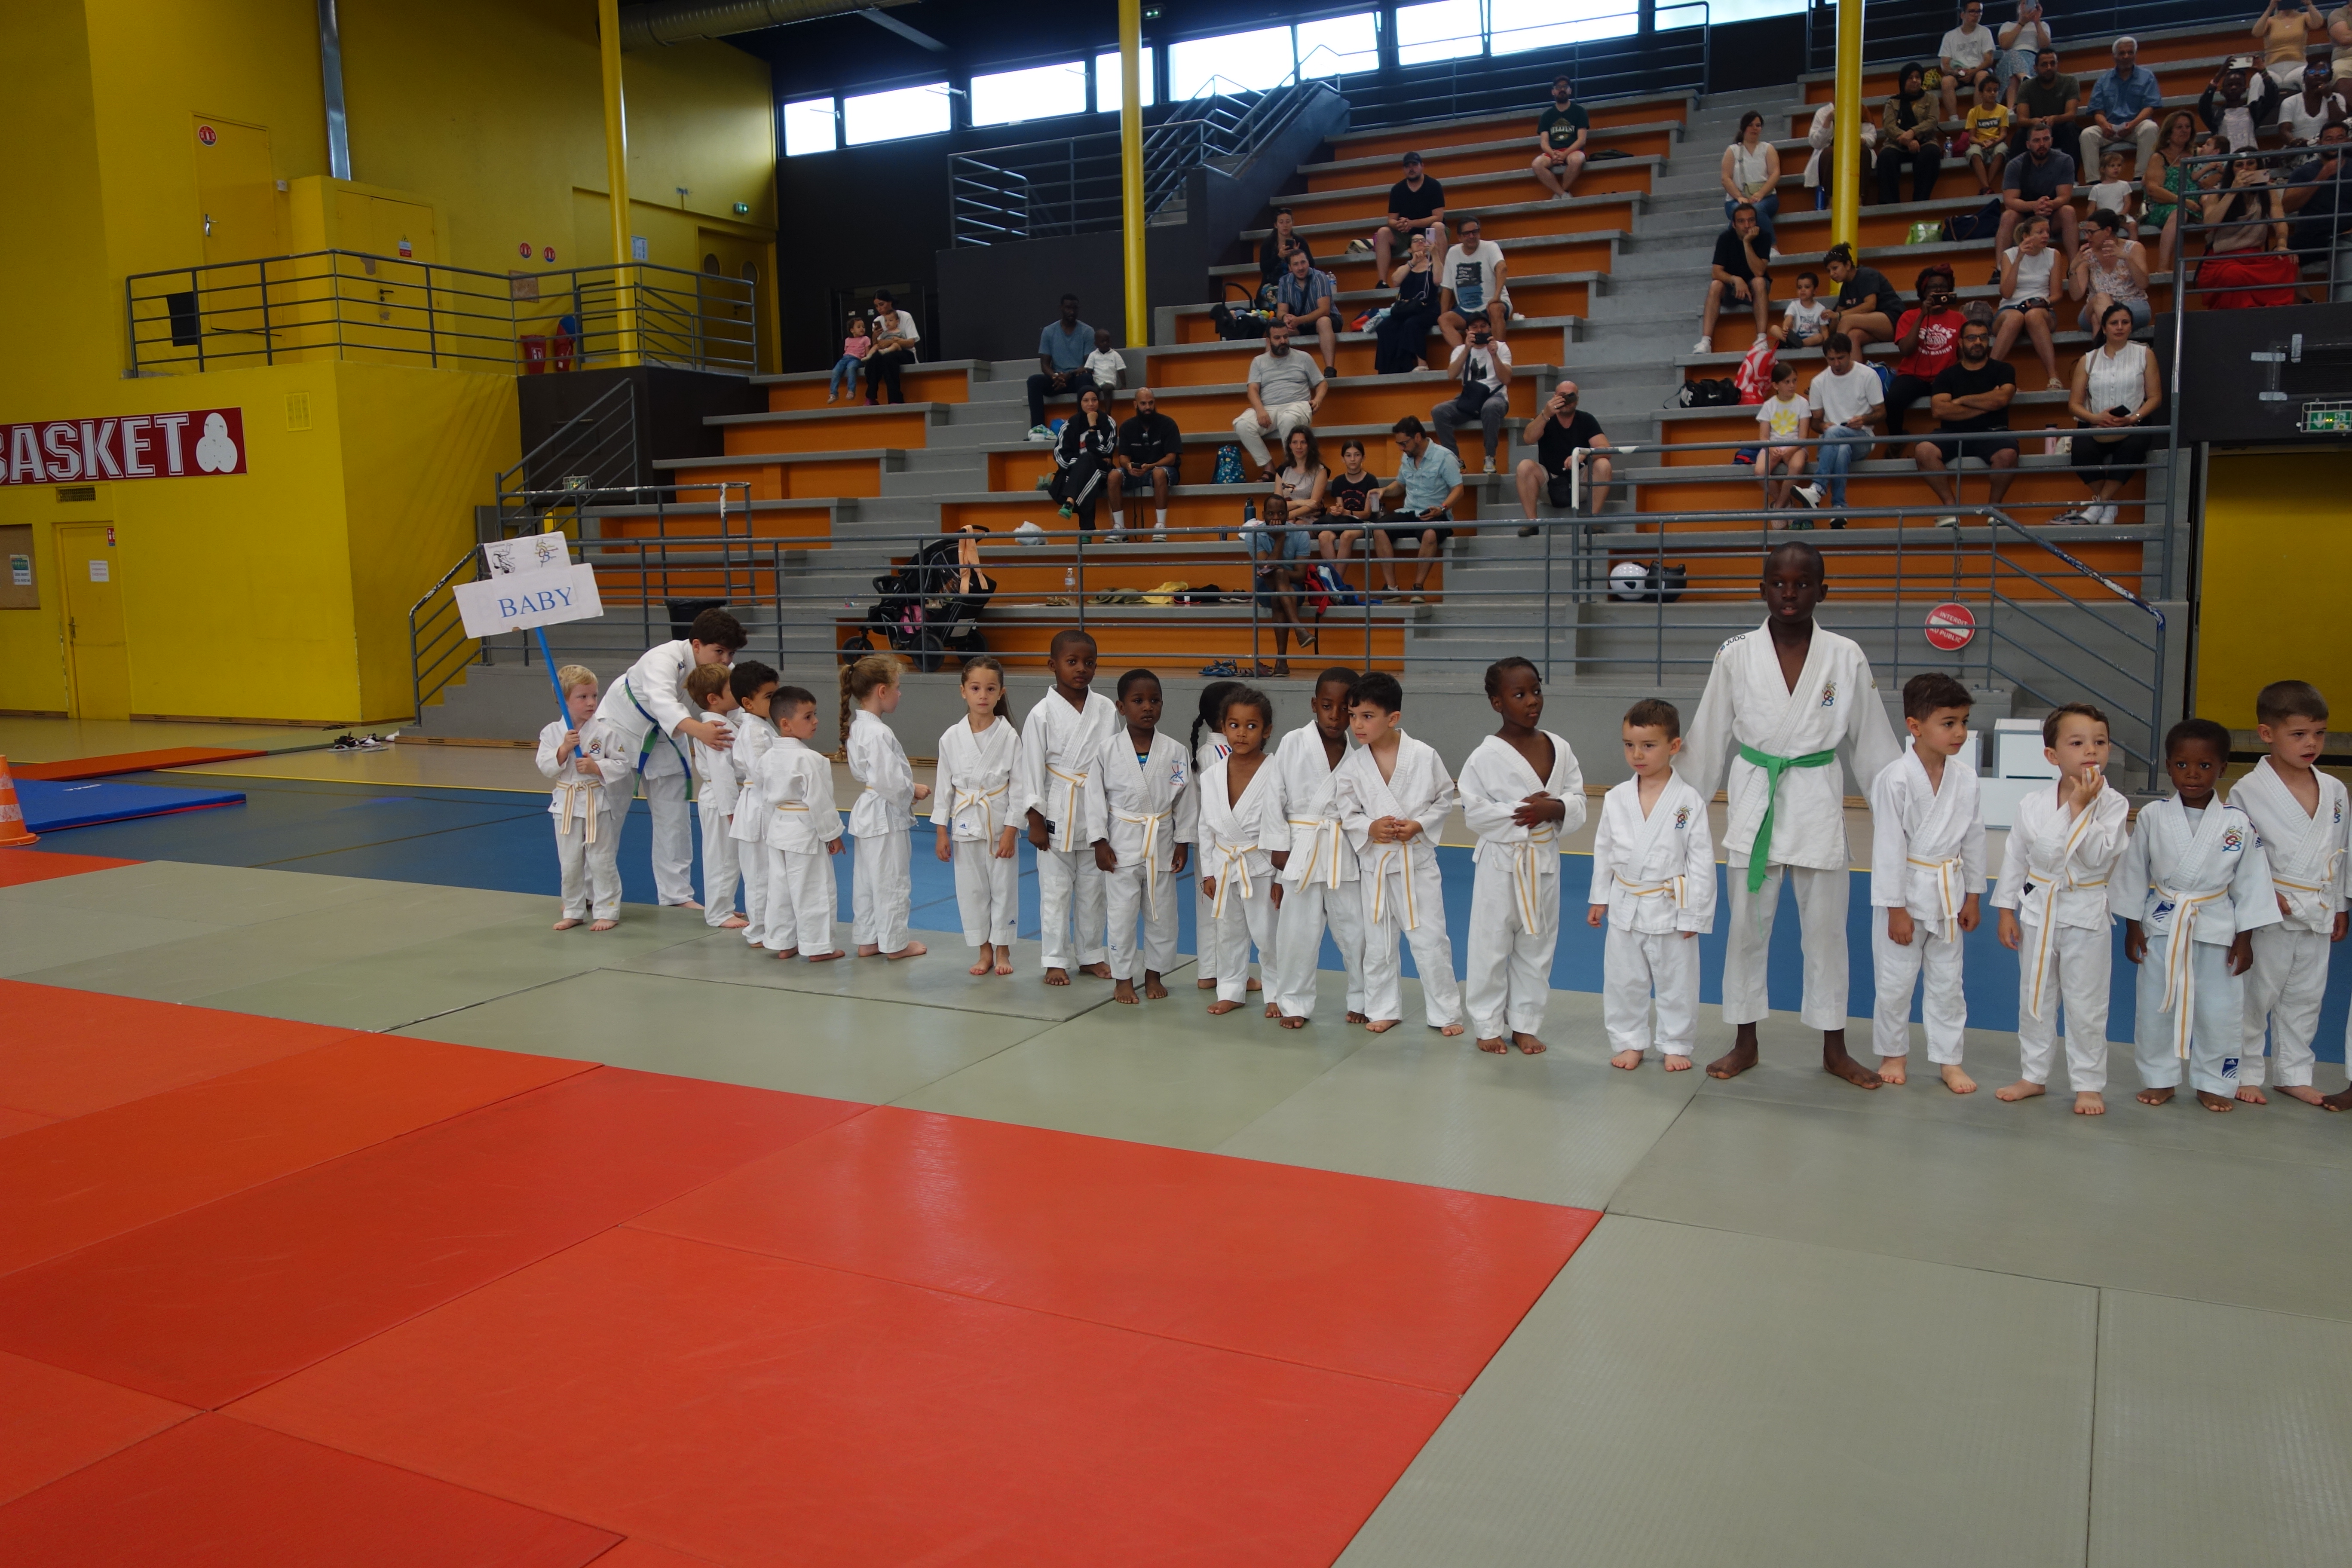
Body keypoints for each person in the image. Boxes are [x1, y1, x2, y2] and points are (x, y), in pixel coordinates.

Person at [1677, 541, 1903, 1086]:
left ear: (1823, 590)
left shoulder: (1845, 655)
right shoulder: (1735, 654)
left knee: (1827, 934)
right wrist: (1677, 815)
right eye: (1779, 583)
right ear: (1762, 589)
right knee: (1746, 931)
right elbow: (1708, 736)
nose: (1790, 593)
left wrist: (1903, 816)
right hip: (1756, 797)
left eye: (1802, 584)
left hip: (1817, 799)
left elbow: (1873, 743)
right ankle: (1745, 1041)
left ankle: (1834, 1048)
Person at [2119, 718, 2281, 1112]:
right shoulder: (2153, 816)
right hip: (2163, 923)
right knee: (2156, 1005)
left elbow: (2252, 883)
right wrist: (2132, 926)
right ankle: (2159, 1078)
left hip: (2217, 925)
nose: (2192, 774)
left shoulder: (2237, 823)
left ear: (2223, 768)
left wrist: (2245, 938)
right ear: (2168, 766)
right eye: (2182, 764)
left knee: (2220, 1010)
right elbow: (2134, 872)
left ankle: (2214, 1082)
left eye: (2205, 766)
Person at [1991, 702, 2129, 1114]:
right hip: (2038, 910)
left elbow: (2097, 857)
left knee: (2087, 1005)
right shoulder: (2032, 803)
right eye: (2077, 742)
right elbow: (2016, 857)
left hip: (2086, 912)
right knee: (2035, 996)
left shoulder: (2114, 804)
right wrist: (2005, 910)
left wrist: (2080, 808)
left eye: (2100, 742)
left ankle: (2089, 1083)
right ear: (2052, 755)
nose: (2091, 750)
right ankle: (2033, 1075)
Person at [2230, 681, 2349, 1106]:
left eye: (2319, 733)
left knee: (2305, 997)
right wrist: (2262, 893)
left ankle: (2293, 1074)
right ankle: (2244, 1072)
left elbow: (2341, 851)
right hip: (2271, 911)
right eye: (2299, 734)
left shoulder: (2335, 789)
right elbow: (2239, 853)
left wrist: (2341, 904)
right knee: (2256, 995)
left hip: (2319, 906)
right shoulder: (2247, 790)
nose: (2311, 743)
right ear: (2267, 734)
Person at [1459, 658, 1585, 1056]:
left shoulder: (1559, 748)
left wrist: (1556, 808)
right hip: (1501, 862)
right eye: (1519, 694)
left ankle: (1526, 1024)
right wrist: (1526, 812)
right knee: (1491, 945)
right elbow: (1475, 813)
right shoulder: (1484, 757)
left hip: (1544, 860)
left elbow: (1579, 799)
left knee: (1538, 945)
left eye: (1536, 691)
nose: (1532, 701)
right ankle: (1487, 1024)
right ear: (1497, 702)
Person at [1868, 671, 1986, 1093]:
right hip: (1905, 892)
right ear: (1915, 726)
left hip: (1949, 894)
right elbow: (1887, 847)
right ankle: (1893, 1054)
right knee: (1895, 982)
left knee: (1949, 984)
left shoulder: (1966, 778)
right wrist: (1895, 908)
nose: (1960, 733)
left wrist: (1974, 896)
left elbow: (1974, 838)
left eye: (1964, 722)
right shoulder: (1895, 778)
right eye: (1948, 723)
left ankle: (1949, 1060)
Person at [1335, 671, 1464, 1036]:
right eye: (1353, 716)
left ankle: (1445, 1012)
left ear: (1393, 718)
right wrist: (1370, 828)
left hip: (1416, 864)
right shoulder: (1353, 765)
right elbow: (1348, 812)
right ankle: (1383, 1008)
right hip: (1376, 866)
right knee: (1378, 943)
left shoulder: (1423, 755)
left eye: (1368, 716)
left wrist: (1419, 825)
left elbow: (1444, 798)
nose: (1357, 725)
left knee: (1431, 940)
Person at [1590, 698, 1716, 1070]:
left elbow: (1701, 862)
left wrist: (1696, 914)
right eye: (1629, 745)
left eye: (1648, 745)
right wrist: (1599, 898)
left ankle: (1676, 1043)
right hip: (1626, 901)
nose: (1637, 755)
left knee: (1678, 981)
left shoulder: (1689, 801)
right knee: (1623, 980)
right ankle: (1630, 1041)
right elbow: (1604, 850)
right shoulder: (1616, 798)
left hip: (1672, 905)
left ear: (1674, 746)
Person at [591, 606, 743, 912]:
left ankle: (676, 896)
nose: (726, 660)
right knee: (608, 816)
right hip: (619, 731)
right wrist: (700, 731)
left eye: (730, 653)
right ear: (696, 645)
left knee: (674, 819)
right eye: (720, 651)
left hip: (667, 737)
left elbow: (735, 708)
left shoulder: (723, 671)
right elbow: (663, 702)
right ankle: (586, 893)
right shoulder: (662, 659)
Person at [1017, 628, 1122, 986]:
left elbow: (1114, 761)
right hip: (1056, 810)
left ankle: (1091, 955)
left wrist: (1114, 814)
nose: (1081, 669)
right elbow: (1030, 769)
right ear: (1053, 665)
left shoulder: (1105, 708)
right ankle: (1054, 959)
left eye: (1089, 663)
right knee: (1056, 892)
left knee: (1095, 892)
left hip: (1096, 810)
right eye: (1072, 661)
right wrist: (1034, 818)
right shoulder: (1041, 713)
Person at [1087, 668, 1196, 1008]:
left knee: (1162, 914)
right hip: (1120, 844)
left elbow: (1185, 800)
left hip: (1161, 842)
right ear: (1121, 707)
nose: (1148, 707)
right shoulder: (1107, 751)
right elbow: (1094, 798)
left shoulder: (1176, 750)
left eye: (1155, 700)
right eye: (1138, 701)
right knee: (1121, 915)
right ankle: (1123, 978)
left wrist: (1183, 842)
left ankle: (1154, 974)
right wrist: (1099, 841)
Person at [1270, 667, 1372, 1028]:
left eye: (1345, 709)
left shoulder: (1361, 753)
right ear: (1315, 705)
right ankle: (1294, 1003)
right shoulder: (1293, 742)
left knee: (1357, 932)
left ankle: (1363, 998)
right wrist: (1277, 846)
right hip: (1300, 847)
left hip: (1343, 849)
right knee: (1297, 933)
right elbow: (1274, 796)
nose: (1335, 716)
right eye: (1327, 706)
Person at [1197, 687, 1285, 1015]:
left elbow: (1285, 827)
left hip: (1262, 865)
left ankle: (1277, 993)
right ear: (1223, 727)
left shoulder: (1277, 772)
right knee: (1228, 933)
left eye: (1252, 726)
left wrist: (1281, 877)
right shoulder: (1212, 775)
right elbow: (1206, 827)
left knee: (1269, 934)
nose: (1242, 733)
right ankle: (1232, 990)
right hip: (1225, 864)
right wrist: (1208, 872)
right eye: (1234, 725)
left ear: (1267, 730)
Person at [934, 655, 1021, 979]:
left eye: (990, 689)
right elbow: (944, 788)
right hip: (965, 823)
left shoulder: (1010, 737)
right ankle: (984, 949)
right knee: (972, 891)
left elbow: (1021, 788)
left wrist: (1012, 830)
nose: (983, 695)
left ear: (1001, 693)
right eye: (975, 688)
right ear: (963, 691)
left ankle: (1003, 948)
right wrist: (941, 831)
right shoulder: (950, 737)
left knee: (1003, 889)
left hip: (999, 823)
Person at [841, 653, 930, 961]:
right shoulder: (878, 732)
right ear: (882, 691)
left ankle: (868, 940)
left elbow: (878, 777)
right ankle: (895, 944)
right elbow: (888, 781)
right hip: (884, 815)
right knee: (892, 882)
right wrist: (913, 790)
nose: (900, 693)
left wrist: (905, 789)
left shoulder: (859, 727)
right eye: (897, 687)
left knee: (867, 881)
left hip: (870, 811)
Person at [756, 685, 845, 962]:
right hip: (805, 831)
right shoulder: (810, 759)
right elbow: (820, 802)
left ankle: (784, 942)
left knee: (780, 891)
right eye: (808, 717)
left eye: (815, 714)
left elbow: (764, 798)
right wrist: (832, 834)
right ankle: (817, 948)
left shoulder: (767, 758)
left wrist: (768, 830)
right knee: (814, 891)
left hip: (778, 830)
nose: (815, 721)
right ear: (786, 724)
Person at [539, 665, 627, 932]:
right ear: (563, 700)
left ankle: (608, 910)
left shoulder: (606, 732)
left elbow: (623, 764)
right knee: (570, 862)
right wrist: (563, 750)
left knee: (602, 859)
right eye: (583, 697)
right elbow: (545, 767)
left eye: (594, 696)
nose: (591, 703)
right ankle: (574, 910)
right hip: (565, 804)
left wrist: (596, 767)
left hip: (595, 802)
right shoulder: (551, 733)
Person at [2065, 301, 2163, 525]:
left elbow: (2155, 397)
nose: (2120, 327)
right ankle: (2108, 505)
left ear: (2131, 326)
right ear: (2104, 328)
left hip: (2133, 424)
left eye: (2125, 322)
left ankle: (2099, 505)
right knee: (2081, 452)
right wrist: (2096, 418)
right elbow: (2074, 405)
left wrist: (2132, 419)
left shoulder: (2145, 354)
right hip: (2095, 424)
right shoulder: (2088, 359)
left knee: (2134, 447)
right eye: (2114, 323)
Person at [1916, 316, 2019, 523]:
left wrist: (1962, 400)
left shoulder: (2003, 369)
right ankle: (1950, 508)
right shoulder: (1947, 375)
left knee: (2008, 454)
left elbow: (2002, 399)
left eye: (1983, 337)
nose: (1978, 342)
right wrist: (1987, 404)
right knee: (1923, 450)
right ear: (1961, 342)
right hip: (1952, 433)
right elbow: (1939, 410)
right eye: (1972, 338)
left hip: (1994, 432)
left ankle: (1995, 509)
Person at [685, 662, 747, 931]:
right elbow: (722, 773)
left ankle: (724, 905)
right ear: (714, 699)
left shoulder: (726, 722)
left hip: (728, 795)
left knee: (731, 857)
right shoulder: (715, 728)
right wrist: (730, 810)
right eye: (731, 690)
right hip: (721, 798)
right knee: (722, 858)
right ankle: (718, 912)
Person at [723, 661, 780, 949]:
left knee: (769, 873)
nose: (775, 702)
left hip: (763, 804)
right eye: (769, 697)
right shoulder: (755, 731)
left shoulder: (763, 727)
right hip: (758, 805)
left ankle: (772, 927)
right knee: (759, 875)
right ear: (748, 703)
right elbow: (762, 773)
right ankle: (758, 931)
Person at [1188, 681, 1239, 995]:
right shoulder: (1222, 753)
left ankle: (1211, 972)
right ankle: (1225, 974)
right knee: (1228, 912)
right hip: (1222, 843)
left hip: (1209, 841)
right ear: (1224, 718)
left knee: (1211, 909)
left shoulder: (1209, 751)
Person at [1378, 416, 1462, 603]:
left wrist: (1442, 508)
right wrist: (1384, 491)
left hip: (1434, 513)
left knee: (1430, 534)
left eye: (1404, 443)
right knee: (1378, 529)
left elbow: (1458, 489)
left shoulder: (1444, 457)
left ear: (1417, 437)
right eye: (1399, 444)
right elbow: (1400, 485)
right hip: (1409, 512)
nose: (1401, 448)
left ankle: (1418, 587)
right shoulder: (1407, 457)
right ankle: (1392, 588)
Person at [2199, 152, 2298, 308]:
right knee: (2234, 274)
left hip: (2255, 256)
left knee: (2288, 261)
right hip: (2223, 259)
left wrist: (2281, 244)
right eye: (2239, 165)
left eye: (2251, 163)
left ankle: (2275, 314)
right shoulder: (2217, 193)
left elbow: (2279, 221)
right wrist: (2232, 192)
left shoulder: (2268, 190)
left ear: (2258, 166)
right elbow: (2209, 226)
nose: (2245, 168)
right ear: (2232, 170)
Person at [1229, 321, 1326, 478]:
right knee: (1242, 424)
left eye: (1286, 337)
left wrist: (1318, 400)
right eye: (1278, 338)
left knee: (1288, 419)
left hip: (1297, 406)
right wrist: (1260, 411)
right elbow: (1252, 390)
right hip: (1269, 408)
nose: (1283, 341)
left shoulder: (1304, 358)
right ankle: (1269, 467)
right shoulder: (1259, 361)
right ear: (1268, 341)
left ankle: (1291, 467)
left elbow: (1322, 383)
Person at [1807, 332, 1884, 527]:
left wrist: (1864, 419)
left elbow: (1881, 413)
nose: (1836, 363)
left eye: (1841, 358)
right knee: (1841, 447)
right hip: (1834, 442)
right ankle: (1839, 507)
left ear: (1850, 354)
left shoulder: (1868, 375)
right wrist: (1823, 426)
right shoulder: (1818, 382)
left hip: (1863, 437)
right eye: (1831, 359)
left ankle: (1817, 488)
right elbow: (1815, 422)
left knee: (1833, 434)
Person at [1514, 381, 1611, 533]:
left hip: (1580, 482)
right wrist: (1546, 414)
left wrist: (1583, 454)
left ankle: (1593, 521)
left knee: (1603, 464)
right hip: (1550, 482)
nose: (1566, 400)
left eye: (1571, 396)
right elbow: (1528, 439)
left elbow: (1606, 449)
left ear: (1577, 400)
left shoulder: (1586, 419)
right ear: (1554, 397)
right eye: (1562, 396)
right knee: (1524, 466)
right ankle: (1532, 523)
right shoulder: (1545, 419)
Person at [1889, 264, 1967, 435]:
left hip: (1945, 376)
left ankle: (1949, 437)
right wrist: (1923, 315)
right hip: (1913, 376)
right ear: (1924, 292)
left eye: (1943, 287)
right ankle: (1896, 439)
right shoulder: (1909, 316)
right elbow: (1906, 350)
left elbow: (1964, 357)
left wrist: (1949, 375)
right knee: (1893, 399)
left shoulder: (1959, 319)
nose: (1938, 290)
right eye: (1933, 287)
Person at [1430, 315, 1513, 473]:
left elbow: (1506, 379)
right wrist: (1467, 349)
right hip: (1470, 400)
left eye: (1483, 326)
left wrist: (1494, 355)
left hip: (1495, 398)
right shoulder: (1460, 350)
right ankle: (1455, 459)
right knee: (1439, 411)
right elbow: (1452, 375)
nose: (1479, 330)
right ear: (1468, 331)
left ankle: (1490, 457)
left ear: (1490, 328)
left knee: (1490, 407)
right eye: (1475, 327)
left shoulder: (1501, 347)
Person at [1993, 214, 2064, 389]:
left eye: (2047, 232)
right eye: (2040, 232)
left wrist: (2044, 302)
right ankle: (1989, 375)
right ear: (2026, 236)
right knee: (2015, 318)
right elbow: (2006, 293)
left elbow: (2057, 295)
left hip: (2041, 308)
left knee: (2033, 315)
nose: (2046, 236)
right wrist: (2019, 258)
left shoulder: (2054, 255)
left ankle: (2053, 377)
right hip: (2010, 308)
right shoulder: (2009, 255)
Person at [1997, 120, 2080, 267]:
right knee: (2008, 216)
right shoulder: (2015, 165)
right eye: (2036, 141)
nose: (2042, 144)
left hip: (2052, 214)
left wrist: (2049, 204)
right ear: (2028, 144)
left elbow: (2065, 197)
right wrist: (2034, 206)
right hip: (2025, 217)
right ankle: (2000, 269)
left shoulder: (2065, 161)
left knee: (2069, 211)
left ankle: (2075, 267)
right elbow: (2010, 201)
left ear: (2052, 141)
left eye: (2046, 139)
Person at [1694, 201, 1771, 355]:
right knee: (1716, 285)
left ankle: (1762, 339)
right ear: (1734, 224)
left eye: (1751, 220)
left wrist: (1747, 243)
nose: (1747, 225)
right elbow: (1716, 272)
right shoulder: (1725, 238)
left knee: (1759, 282)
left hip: (1755, 290)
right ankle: (1706, 341)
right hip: (1732, 289)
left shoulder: (1764, 236)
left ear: (1756, 222)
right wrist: (1735, 280)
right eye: (1742, 221)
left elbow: (1759, 272)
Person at [2082, 36, 2163, 178]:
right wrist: (2104, 125)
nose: (2126, 56)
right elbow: (2097, 110)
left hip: (2135, 126)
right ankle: (2094, 181)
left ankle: (2142, 177)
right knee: (2087, 134)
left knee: (2150, 128)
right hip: (2110, 128)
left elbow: (2150, 107)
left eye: (2130, 52)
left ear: (2135, 54)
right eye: (2122, 53)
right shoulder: (2103, 80)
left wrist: (2133, 124)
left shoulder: (2147, 77)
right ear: (2114, 56)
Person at [1109, 386, 1181, 542]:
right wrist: (1129, 466)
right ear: (1135, 404)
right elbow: (1123, 458)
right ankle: (1119, 528)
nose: (1148, 407)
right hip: (1136, 472)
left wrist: (1151, 466)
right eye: (1143, 404)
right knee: (1113, 476)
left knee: (1158, 473)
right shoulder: (1127, 427)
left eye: (1151, 403)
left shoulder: (1168, 424)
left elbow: (1171, 458)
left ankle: (1161, 526)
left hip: (1163, 471)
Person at [1026, 294, 1096, 441]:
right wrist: (1055, 377)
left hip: (1077, 378)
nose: (1072, 312)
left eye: (1075, 308)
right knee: (1034, 381)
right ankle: (1038, 429)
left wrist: (1070, 375)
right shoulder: (1049, 331)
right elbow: (1045, 364)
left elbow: (1089, 363)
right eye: (1068, 308)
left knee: (1086, 379)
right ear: (1061, 308)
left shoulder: (1088, 331)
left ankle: (1083, 428)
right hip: (1057, 380)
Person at [2283, 120, 2352, 269]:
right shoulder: (2303, 172)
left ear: (2348, 141)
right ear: (2320, 143)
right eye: (2329, 139)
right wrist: (2322, 176)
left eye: (2340, 138)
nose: (2334, 143)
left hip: (2347, 235)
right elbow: (2288, 207)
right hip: (2311, 237)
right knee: (2282, 257)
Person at [2069, 210, 2152, 335]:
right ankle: (2116, 341)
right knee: (2101, 298)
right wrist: (2072, 270)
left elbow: (2143, 284)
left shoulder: (2134, 248)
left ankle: (2104, 344)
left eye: (2091, 232)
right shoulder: (2087, 256)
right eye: (2086, 232)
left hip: (2133, 305)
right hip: (2095, 305)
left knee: (2097, 319)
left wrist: (2127, 258)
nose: (2087, 237)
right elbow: (2076, 296)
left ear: (2107, 231)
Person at [1050, 386, 1118, 537]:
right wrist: (1080, 463)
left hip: (1103, 471)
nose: (1091, 404)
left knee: (1087, 460)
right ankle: (1087, 532)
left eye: (1094, 400)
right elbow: (1060, 454)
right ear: (1080, 403)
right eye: (1086, 401)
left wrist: (1093, 427)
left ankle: (1070, 502)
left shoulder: (1108, 422)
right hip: (1077, 471)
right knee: (1087, 467)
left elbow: (1107, 451)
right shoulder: (1070, 425)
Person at [1374, 230, 1442, 374]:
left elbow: (1438, 281)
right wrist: (1413, 263)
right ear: (1410, 249)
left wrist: (1435, 254)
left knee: (1411, 323)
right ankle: (1391, 368)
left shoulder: (1432, 265)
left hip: (1428, 308)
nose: (1420, 242)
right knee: (1385, 327)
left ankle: (1422, 363)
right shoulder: (1406, 267)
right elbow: (1395, 280)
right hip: (1407, 309)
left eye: (1423, 240)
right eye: (1416, 241)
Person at [1438, 216, 1512, 346]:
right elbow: (1447, 288)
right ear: (1460, 237)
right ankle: (1464, 355)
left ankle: (1498, 353)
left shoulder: (1490, 247)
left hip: (1490, 305)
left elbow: (1502, 268)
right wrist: (1444, 313)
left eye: (1475, 232)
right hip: (1465, 310)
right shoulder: (1453, 253)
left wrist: (1496, 297)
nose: (1472, 236)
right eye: (1467, 233)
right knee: (1444, 320)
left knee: (1495, 308)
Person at [1879, 62, 1947, 206]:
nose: (1915, 81)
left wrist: (1913, 132)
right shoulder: (1892, 102)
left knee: (1932, 153)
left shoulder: (1931, 99)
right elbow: (1889, 127)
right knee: (1886, 157)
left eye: (1918, 77)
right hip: (1897, 143)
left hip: (1925, 141)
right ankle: (1890, 204)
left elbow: (1932, 121)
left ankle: (1920, 200)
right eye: (1910, 78)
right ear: (1903, 81)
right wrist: (1907, 140)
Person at [1374, 152, 1448, 280]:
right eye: (1407, 166)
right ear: (1403, 169)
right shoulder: (1397, 189)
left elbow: (1438, 217)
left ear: (1422, 166)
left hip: (1428, 233)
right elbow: (1391, 220)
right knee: (1382, 233)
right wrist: (1400, 224)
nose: (1411, 169)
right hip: (1405, 234)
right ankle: (1382, 282)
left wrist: (1412, 223)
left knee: (1438, 226)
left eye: (1414, 165)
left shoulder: (1434, 185)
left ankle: (1440, 277)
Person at [1752, 361, 1812, 518]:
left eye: (1794, 381)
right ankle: (1785, 503)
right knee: (1760, 472)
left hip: (1797, 446)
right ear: (1776, 385)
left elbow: (1803, 437)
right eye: (1787, 382)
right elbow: (1764, 437)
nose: (1792, 385)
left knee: (1797, 466)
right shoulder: (1769, 405)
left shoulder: (1803, 403)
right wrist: (1772, 448)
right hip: (1773, 446)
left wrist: (1792, 450)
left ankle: (1778, 507)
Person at [2142, 111, 2200, 271]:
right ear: (2169, 132)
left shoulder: (2199, 153)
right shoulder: (2159, 157)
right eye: (2179, 127)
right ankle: (2163, 266)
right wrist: (2184, 201)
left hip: (2196, 205)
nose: (2184, 130)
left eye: (2188, 127)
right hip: (2166, 206)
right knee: (2179, 213)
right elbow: (2153, 190)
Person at [1721, 111, 1783, 257]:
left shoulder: (1768, 148)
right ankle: (1731, 253)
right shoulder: (1733, 151)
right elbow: (1726, 178)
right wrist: (1739, 197)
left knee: (1756, 210)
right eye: (1751, 125)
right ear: (1744, 128)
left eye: (1758, 125)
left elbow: (1775, 174)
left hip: (1767, 197)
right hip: (1737, 199)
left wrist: (1761, 194)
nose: (1755, 128)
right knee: (1740, 214)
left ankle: (1772, 247)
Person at [1273, 246, 1341, 370]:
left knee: (1323, 322)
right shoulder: (1284, 281)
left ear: (1308, 263)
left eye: (1303, 262)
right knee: (1275, 328)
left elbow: (1324, 310)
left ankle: (1330, 369)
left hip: (1327, 320)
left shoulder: (1319, 277)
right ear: (1290, 268)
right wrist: (1286, 318)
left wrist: (1299, 320)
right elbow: (1281, 311)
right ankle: (1275, 372)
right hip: (1300, 324)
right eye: (1296, 264)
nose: (1301, 268)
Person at [1822, 242, 1897, 348]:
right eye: (1829, 271)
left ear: (1848, 265)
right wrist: (1831, 319)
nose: (1831, 274)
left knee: (1847, 320)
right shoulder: (1846, 287)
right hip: (1871, 327)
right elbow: (1837, 316)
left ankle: (1835, 354)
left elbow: (1870, 305)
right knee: (1853, 336)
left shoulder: (1866, 275)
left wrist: (1839, 316)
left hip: (1892, 321)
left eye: (1835, 268)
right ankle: (1843, 358)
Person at [1937, 1, 2000, 124]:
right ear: (1963, 15)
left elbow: (1989, 60)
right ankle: (1954, 119)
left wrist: (1972, 72)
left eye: (1979, 12)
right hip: (1958, 72)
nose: (1976, 15)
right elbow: (1945, 64)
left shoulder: (1985, 32)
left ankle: (1978, 117)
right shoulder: (1950, 36)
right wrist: (1955, 72)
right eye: (1972, 11)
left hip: (1979, 70)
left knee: (1982, 76)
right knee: (1946, 82)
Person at [1321, 438, 1382, 561]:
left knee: (1347, 536)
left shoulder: (1371, 480)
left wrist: (1346, 512)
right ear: (1343, 459)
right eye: (1349, 456)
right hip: (1344, 521)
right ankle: (1334, 573)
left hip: (1365, 523)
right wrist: (1338, 511)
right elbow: (1340, 507)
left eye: (1357, 455)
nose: (1353, 459)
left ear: (1363, 458)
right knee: (1323, 536)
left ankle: (1336, 574)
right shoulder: (1338, 481)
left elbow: (1367, 513)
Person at [2200, 58, 2281, 151]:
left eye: (2238, 84)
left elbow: (2272, 98)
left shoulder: (2253, 111)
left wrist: (2263, 72)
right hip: (2226, 159)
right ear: (2222, 91)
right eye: (2230, 85)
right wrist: (2218, 77)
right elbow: (2203, 106)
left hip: (2250, 156)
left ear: (2244, 89)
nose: (2234, 87)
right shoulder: (2216, 113)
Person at [1533, 74, 1589, 197]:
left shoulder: (1580, 111)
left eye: (1565, 87)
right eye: (1558, 87)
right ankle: (1564, 195)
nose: (1562, 89)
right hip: (1553, 152)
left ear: (1570, 91)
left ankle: (1560, 193)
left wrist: (1564, 154)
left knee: (1577, 161)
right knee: (1537, 164)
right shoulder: (1546, 116)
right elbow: (1544, 143)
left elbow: (1582, 140)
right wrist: (1553, 155)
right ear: (1553, 92)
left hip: (1573, 150)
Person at [2256, 0, 2330, 94]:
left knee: (2308, 77)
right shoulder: (2270, 21)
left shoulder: (2304, 17)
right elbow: (2257, 32)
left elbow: (2318, 24)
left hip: (2298, 66)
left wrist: (2309, 4)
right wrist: (2270, 8)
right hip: (2272, 69)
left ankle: (2311, 103)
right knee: (2257, 79)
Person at [864, 291, 920, 404]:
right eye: (877, 306)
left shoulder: (905, 316)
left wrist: (892, 342)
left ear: (890, 302)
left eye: (882, 305)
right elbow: (877, 345)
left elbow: (911, 343)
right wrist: (874, 338)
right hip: (885, 352)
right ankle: (871, 397)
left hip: (905, 352)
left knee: (889, 358)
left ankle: (895, 399)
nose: (879, 309)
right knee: (874, 358)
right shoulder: (877, 321)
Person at [1995, 0, 2054, 105]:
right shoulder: (2008, 26)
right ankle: (2025, 79)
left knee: (2014, 75)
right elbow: (2005, 45)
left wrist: (2037, 22)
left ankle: (2011, 108)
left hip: (2032, 61)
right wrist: (2021, 23)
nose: (2028, 6)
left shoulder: (2043, 26)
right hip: (2009, 61)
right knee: (2012, 55)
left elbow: (2045, 46)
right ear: (2019, 7)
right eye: (2024, 3)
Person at [1966, 71, 2014, 193]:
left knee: (2002, 150)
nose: (1993, 93)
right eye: (1989, 90)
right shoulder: (1973, 112)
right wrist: (1982, 143)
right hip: (1979, 143)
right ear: (1981, 93)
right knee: (1973, 152)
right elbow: (1972, 137)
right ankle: (1987, 187)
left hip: (1997, 141)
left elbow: (2004, 134)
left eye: (1995, 90)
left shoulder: (2003, 110)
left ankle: (1987, 186)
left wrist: (1995, 142)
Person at [2280, 59, 2350, 141]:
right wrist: (2295, 142)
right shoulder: (2290, 102)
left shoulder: (2337, 98)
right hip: (2299, 147)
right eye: (2312, 72)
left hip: (2329, 146)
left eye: (2323, 72)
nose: (2317, 74)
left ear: (2330, 79)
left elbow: (2338, 124)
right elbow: (2284, 131)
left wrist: (2330, 97)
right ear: (2304, 79)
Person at [1257, 207, 1317, 290]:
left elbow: (1312, 264)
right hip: (1273, 283)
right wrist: (1279, 257)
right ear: (1276, 225)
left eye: (1288, 222)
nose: (1285, 225)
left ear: (1292, 223)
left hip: (1297, 282)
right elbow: (1264, 268)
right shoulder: (1268, 243)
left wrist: (1298, 254)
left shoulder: (1300, 241)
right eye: (1281, 222)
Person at [1771, 270, 1832, 349]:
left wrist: (1827, 345)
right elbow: (1789, 318)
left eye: (1807, 287)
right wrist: (1786, 327)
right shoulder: (1794, 305)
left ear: (1815, 290)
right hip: (1795, 336)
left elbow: (1824, 330)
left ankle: (1799, 344)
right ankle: (1794, 342)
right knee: (1774, 328)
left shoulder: (1821, 309)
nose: (1803, 290)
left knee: (1820, 337)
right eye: (1800, 288)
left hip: (1811, 338)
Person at [827, 314, 870, 404]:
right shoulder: (848, 340)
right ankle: (834, 393)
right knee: (836, 371)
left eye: (863, 327)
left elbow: (868, 352)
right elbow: (846, 351)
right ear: (852, 330)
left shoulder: (865, 339)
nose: (862, 329)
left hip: (857, 359)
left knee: (851, 368)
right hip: (845, 358)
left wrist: (867, 362)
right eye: (859, 327)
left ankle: (851, 391)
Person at [2089, 148, 2137, 220]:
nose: (2116, 168)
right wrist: (2090, 220)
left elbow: (2128, 203)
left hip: (2121, 217)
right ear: (2103, 169)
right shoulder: (2096, 189)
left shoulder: (2124, 185)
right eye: (2112, 166)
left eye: (2119, 165)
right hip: (2104, 219)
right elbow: (2091, 208)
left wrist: (2122, 215)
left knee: (2133, 225)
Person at [1083, 327, 1127, 393]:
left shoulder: (1115, 355)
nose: (1105, 343)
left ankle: (1108, 401)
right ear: (1096, 344)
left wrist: (1124, 385)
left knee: (1107, 389)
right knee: (1093, 391)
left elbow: (1121, 370)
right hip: (1096, 382)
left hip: (1110, 382)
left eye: (1107, 341)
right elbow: (1089, 369)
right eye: (1102, 342)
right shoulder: (1093, 355)